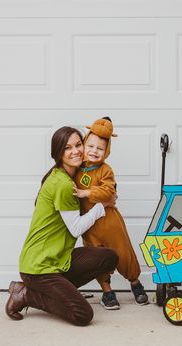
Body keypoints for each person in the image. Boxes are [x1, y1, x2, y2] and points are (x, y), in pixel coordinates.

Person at [5, 126, 119, 326]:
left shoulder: (72, 176)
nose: (75, 151)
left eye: (78, 145)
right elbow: (76, 228)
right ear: (58, 153)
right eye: (67, 148)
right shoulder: (63, 183)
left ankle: (59, 292)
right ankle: (26, 294)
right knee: (83, 315)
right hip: (39, 268)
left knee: (109, 258)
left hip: (59, 259)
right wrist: (102, 206)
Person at [73, 117, 148, 310]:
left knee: (123, 253)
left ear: (106, 151)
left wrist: (86, 192)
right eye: (90, 146)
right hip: (89, 225)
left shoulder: (105, 170)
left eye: (100, 148)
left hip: (110, 222)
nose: (94, 151)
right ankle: (107, 292)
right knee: (97, 257)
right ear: (84, 144)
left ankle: (135, 282)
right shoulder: (76, 168)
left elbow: (109, 192)